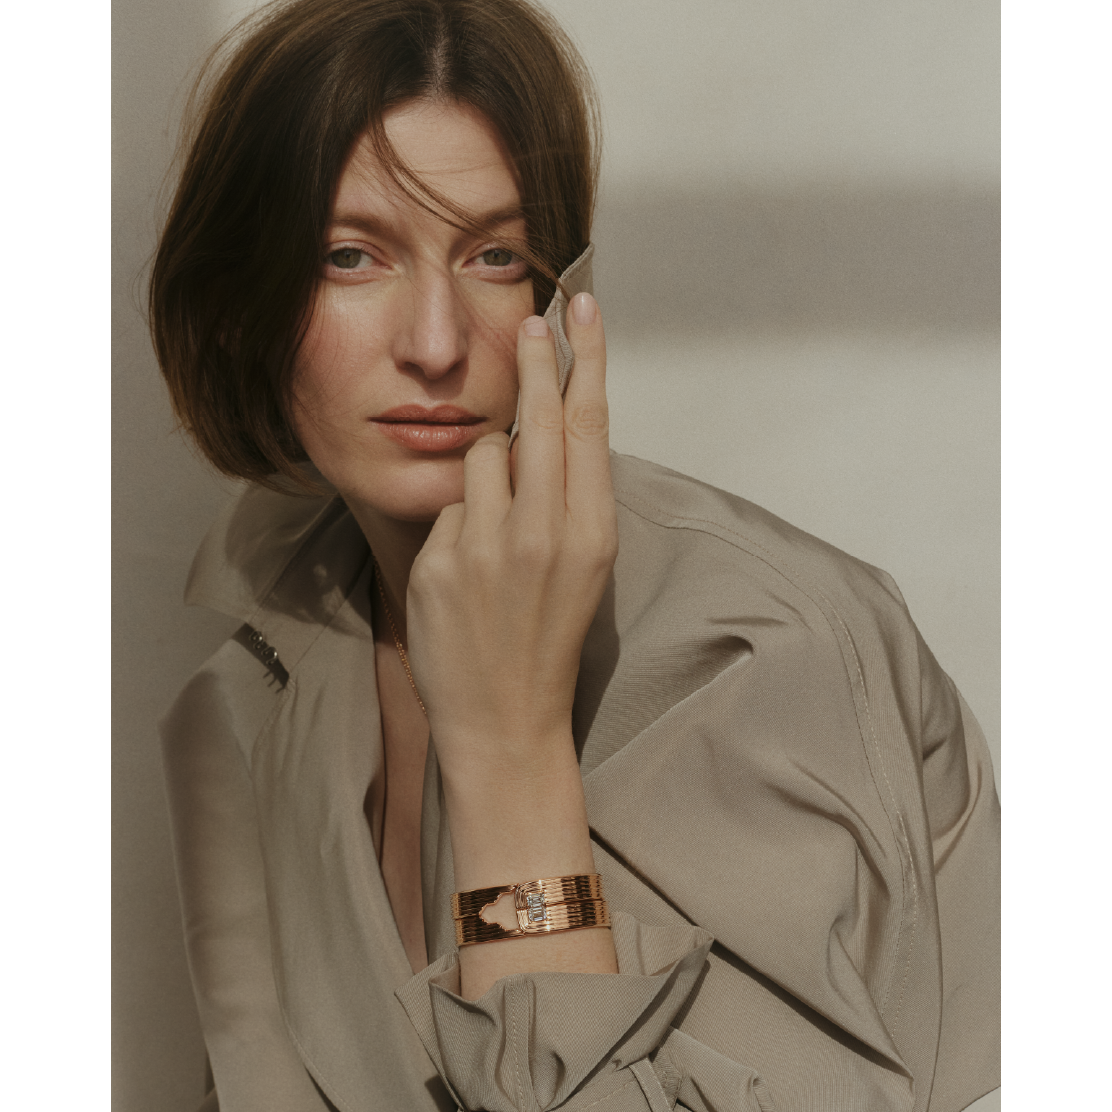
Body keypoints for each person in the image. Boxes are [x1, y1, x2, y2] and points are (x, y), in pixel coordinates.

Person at [151, 0, 1000, 1109]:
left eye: (494, 255)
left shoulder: (754, 647)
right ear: (239, 306)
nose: (435, 344)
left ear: (557, 295)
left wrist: (508, 757)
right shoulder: (255, 680)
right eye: (351, 256)